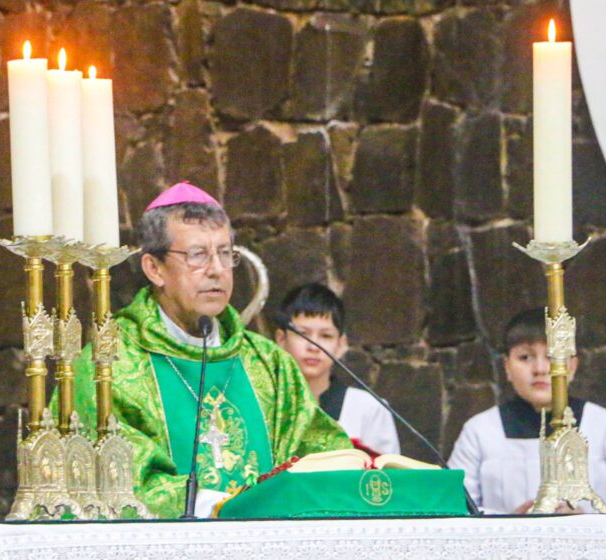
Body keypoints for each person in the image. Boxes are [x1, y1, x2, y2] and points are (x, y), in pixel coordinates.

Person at [66, 182, 352, 518]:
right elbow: (115, 479)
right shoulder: (109, 364)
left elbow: (320, 453)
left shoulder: (269, 363)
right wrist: (218, 506)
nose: (216, 269)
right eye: (197, 255)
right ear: (154, 268)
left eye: (226, 253)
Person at [447, 308, 606, 514]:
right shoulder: (480, 431)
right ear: (507, 367)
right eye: (525, 357)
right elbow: (453, 508)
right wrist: (511, 521)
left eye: (552, 356)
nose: (540, 369)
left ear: (572, 366)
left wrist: (585, 517)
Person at [274, 283, 400, 455]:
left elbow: (388, 476)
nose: (314, 346)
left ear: (341, 345)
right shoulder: (265, 404)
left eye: (326, 336)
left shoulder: (369, 408)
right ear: (281, 339)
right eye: (303, 334)